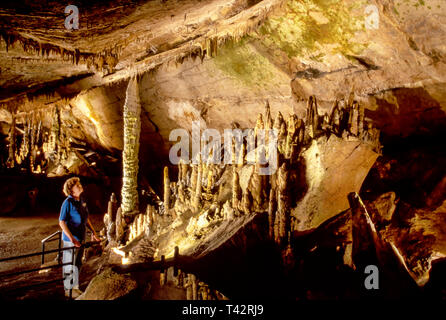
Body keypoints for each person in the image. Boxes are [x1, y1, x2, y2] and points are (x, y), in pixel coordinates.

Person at [59, 177, 100, 299]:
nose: (80, 186)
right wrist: (72, 239)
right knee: (69, 263)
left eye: (80, 184)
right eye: (77, 185)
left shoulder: (81, 200)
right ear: (71, 190)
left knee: (78, 263)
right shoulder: (68, 203)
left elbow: (86, 219)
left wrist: (93, 232)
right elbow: (61, 222)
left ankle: (75, 287)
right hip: (71, 240)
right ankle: (68, 290)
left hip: (80, 238)